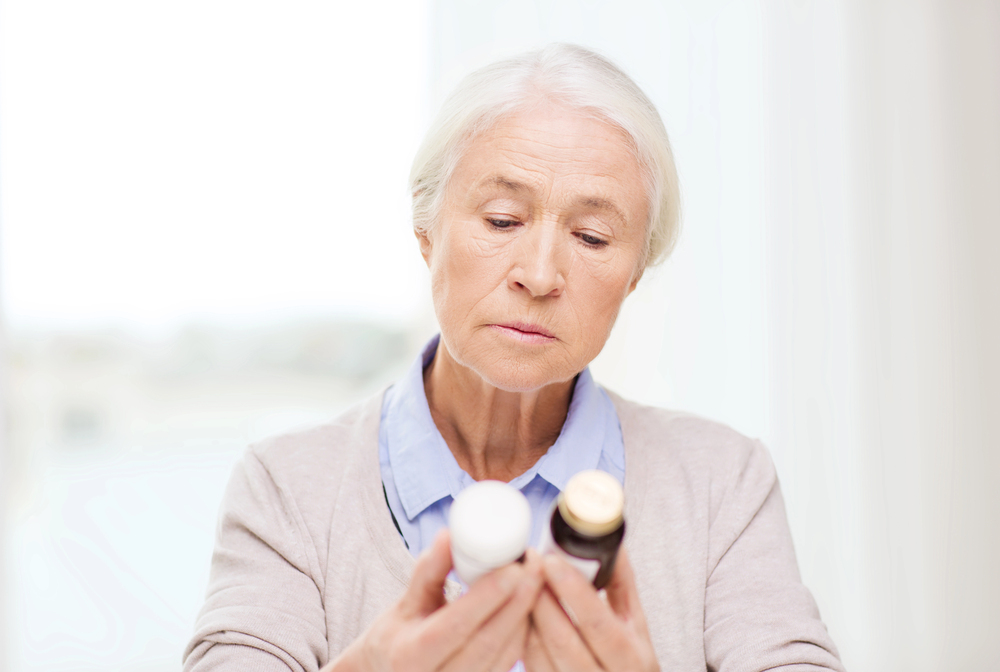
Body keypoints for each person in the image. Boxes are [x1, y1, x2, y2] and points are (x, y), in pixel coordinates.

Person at [183, 44, 844, 672]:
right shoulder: (288, 488)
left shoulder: (722, 485)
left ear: (635, 274)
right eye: (502, 220)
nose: (539, 273)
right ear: (426, 231)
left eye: (591, 236)